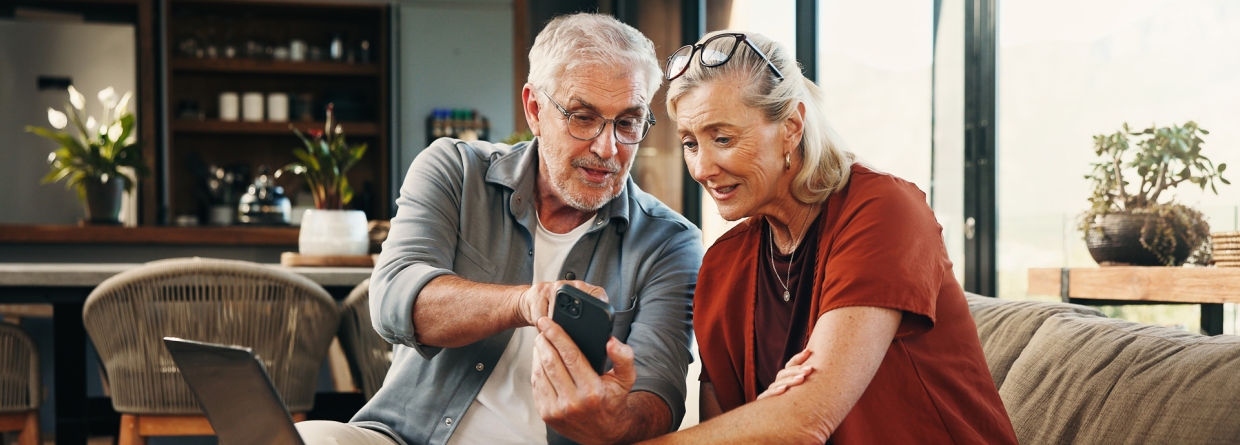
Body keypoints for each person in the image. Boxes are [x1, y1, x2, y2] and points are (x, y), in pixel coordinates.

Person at [296, 13, 703, 445]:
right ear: (535, 110)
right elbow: (395, 299)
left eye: (627, 122)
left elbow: (660, 397)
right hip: (404, 438)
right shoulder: (455, 171)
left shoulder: (670, 242)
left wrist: (612, 423)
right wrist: (525, 303)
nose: (608, 148)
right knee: (311, 438)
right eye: (583, 117)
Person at [642, 31, 1018, 444]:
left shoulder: (884, 211)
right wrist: (770, 416)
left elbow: (804, 421)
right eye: (690, 143)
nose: (702, 168)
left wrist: (784, 413)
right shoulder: (722, 268)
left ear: (791, 127)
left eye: (723, 139)